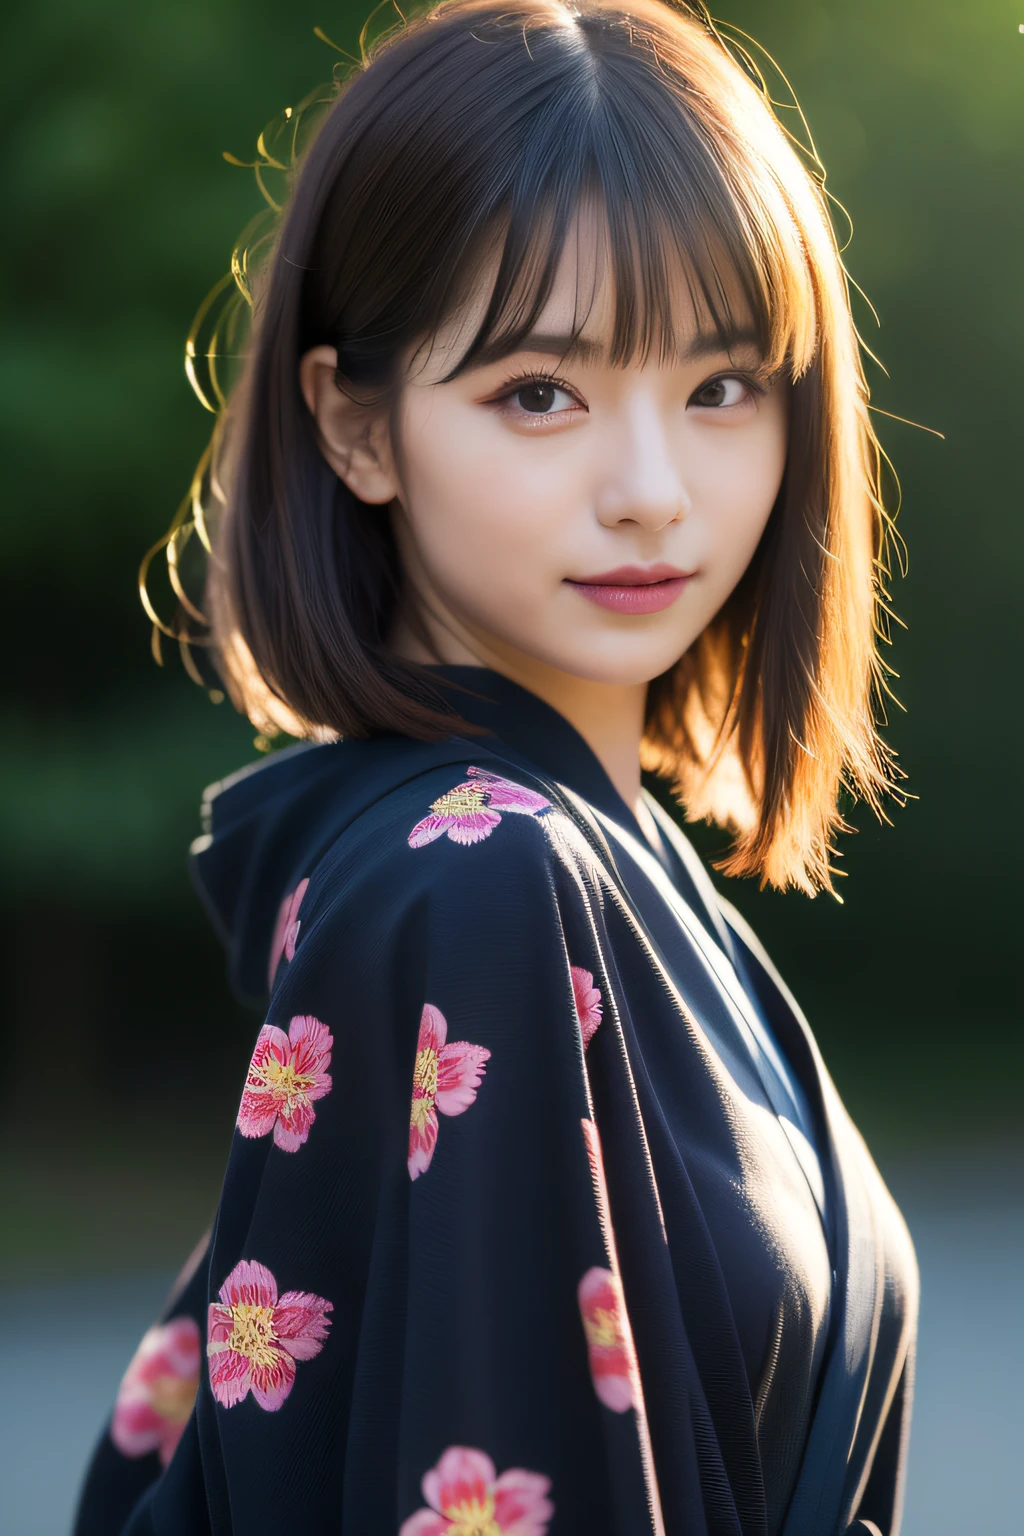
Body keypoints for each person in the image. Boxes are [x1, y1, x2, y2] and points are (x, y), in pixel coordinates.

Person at [73, 2, 918, 1532]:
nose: (655, 493)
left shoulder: (592, 855)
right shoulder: (481, 878)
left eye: (723, 385)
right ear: (356, 425)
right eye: (541, 392)